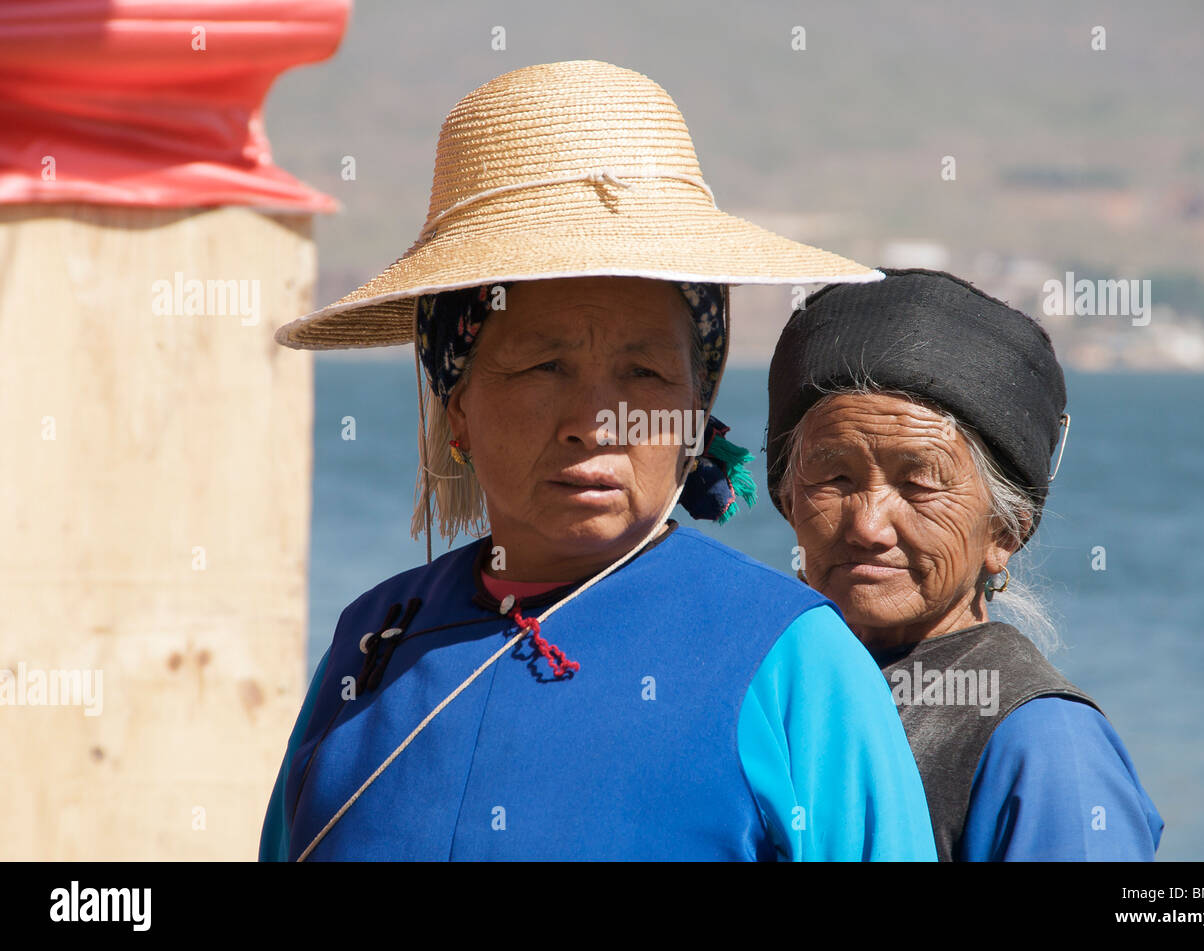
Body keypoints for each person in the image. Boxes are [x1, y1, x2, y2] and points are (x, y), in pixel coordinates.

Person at [258, 60, 936, 861]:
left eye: (644, 372)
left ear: (695, 409)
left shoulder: (791, 662)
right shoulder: (374, 643)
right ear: (458, 406)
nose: (595, 421)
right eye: (544, 367)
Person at [765, 268, 1164, 861]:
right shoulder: (774, 687)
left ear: (1003, 532)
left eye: (920, 484)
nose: (868, 526)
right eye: (835, 477)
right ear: (790, 500)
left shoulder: (1045, 743)